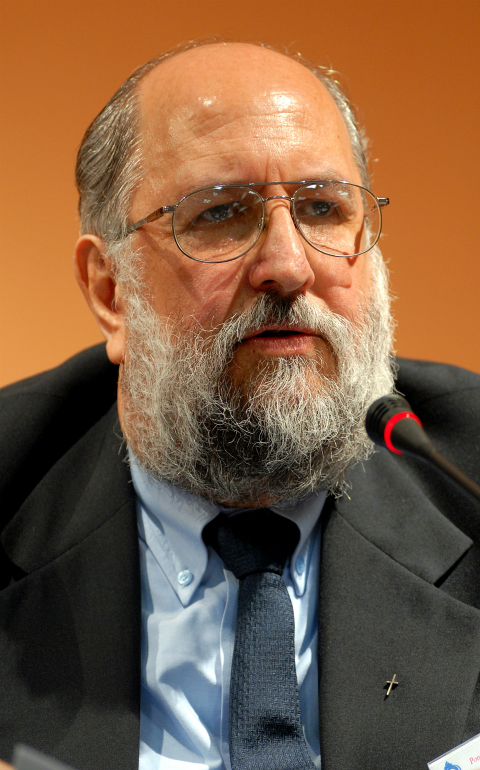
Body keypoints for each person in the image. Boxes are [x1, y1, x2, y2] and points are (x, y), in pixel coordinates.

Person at [1, 40, 479, 770]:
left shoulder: (466, 475)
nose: (288, 265)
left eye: (322, 209)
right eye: (221, 213)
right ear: (110, 292)